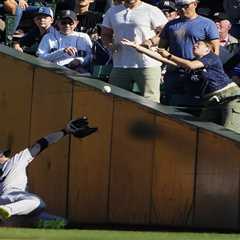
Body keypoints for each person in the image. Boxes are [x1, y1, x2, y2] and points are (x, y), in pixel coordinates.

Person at [121, 38, 240, 133]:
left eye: (199, 44)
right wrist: (139, 48)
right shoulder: (190, 62)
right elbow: (164, 60)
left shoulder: (211, 58)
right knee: (203, 132)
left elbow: (190, 65)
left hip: (229, 98)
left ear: (207, 49)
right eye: (194, 44)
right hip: (211, 101)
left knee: (230, 132)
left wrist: (169, 55)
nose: (195, 45)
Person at [0, 117, 97, 220]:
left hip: (13, 201)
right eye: (4, 154)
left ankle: (7, 211)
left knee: (59, 221)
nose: (7, 156)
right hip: (13, 196)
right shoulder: (14, 162)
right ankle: (6, 210)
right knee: (37, 203)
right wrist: (65, 131)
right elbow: (41, 144)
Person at [142, 0, 220, 105]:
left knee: (196, 107)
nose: (181, 9)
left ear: (195, 5)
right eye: (179, 6)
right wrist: (149, 43)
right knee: (170, 104)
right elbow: (161, 46)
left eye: (185, 6)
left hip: (197, 74)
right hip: (174, 72)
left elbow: (215, 52)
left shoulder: (207, 24)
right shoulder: (171, 25)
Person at [101, 0, 168, 103]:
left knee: (150, 103)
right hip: (120, 64)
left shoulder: (152, 10)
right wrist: (110, 45)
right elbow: (105, 33)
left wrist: (150, 42)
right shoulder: (112, 11)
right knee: (115, 101)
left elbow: (166, 32)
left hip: (148, 64)